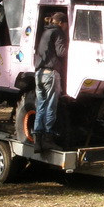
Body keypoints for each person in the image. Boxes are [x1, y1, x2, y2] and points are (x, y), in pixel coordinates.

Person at [33, 11, 68, 151]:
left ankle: (37, 140)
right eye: (65, 24)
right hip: (51, 74)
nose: (66, 27)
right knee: (51, 107)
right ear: (61, 23)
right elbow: (61, 52)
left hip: (39, 73)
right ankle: (48, 138)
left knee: (40, 106)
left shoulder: (45, 31)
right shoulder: (58, 32)